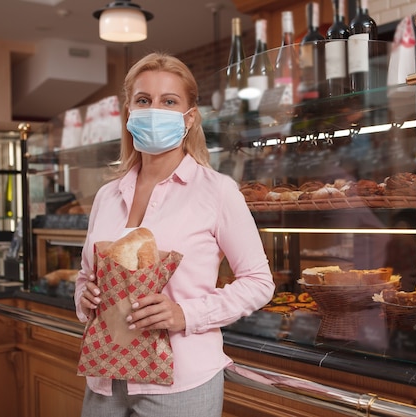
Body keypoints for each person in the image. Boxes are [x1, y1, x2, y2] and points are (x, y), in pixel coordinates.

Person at [75, 52, 275, 417]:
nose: (154, 110)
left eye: (169, 101)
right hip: (104, 377)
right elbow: (86, 276)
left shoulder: (217, 191)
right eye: (143, 100)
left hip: (182, 383)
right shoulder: (107, 196)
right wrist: (85, 296)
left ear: (190, 117)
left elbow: (259, 282)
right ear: (129, 113)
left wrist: (187, 314)